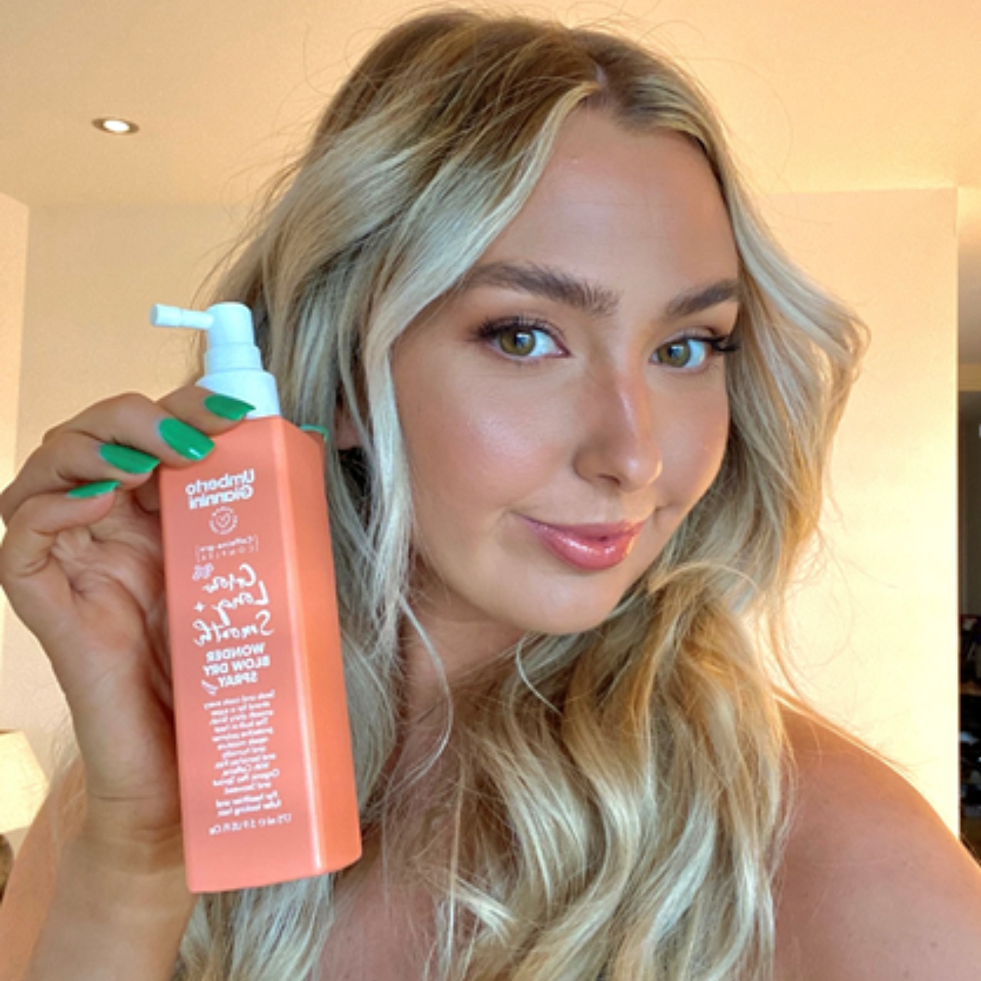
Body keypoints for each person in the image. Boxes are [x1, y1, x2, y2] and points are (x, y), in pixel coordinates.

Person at [0, 8, 979, 981]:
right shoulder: (135, 803)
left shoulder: (842, 864)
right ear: (341, 379)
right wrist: (136, 863)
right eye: (525, 336)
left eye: (687, 347)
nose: (634, 457)